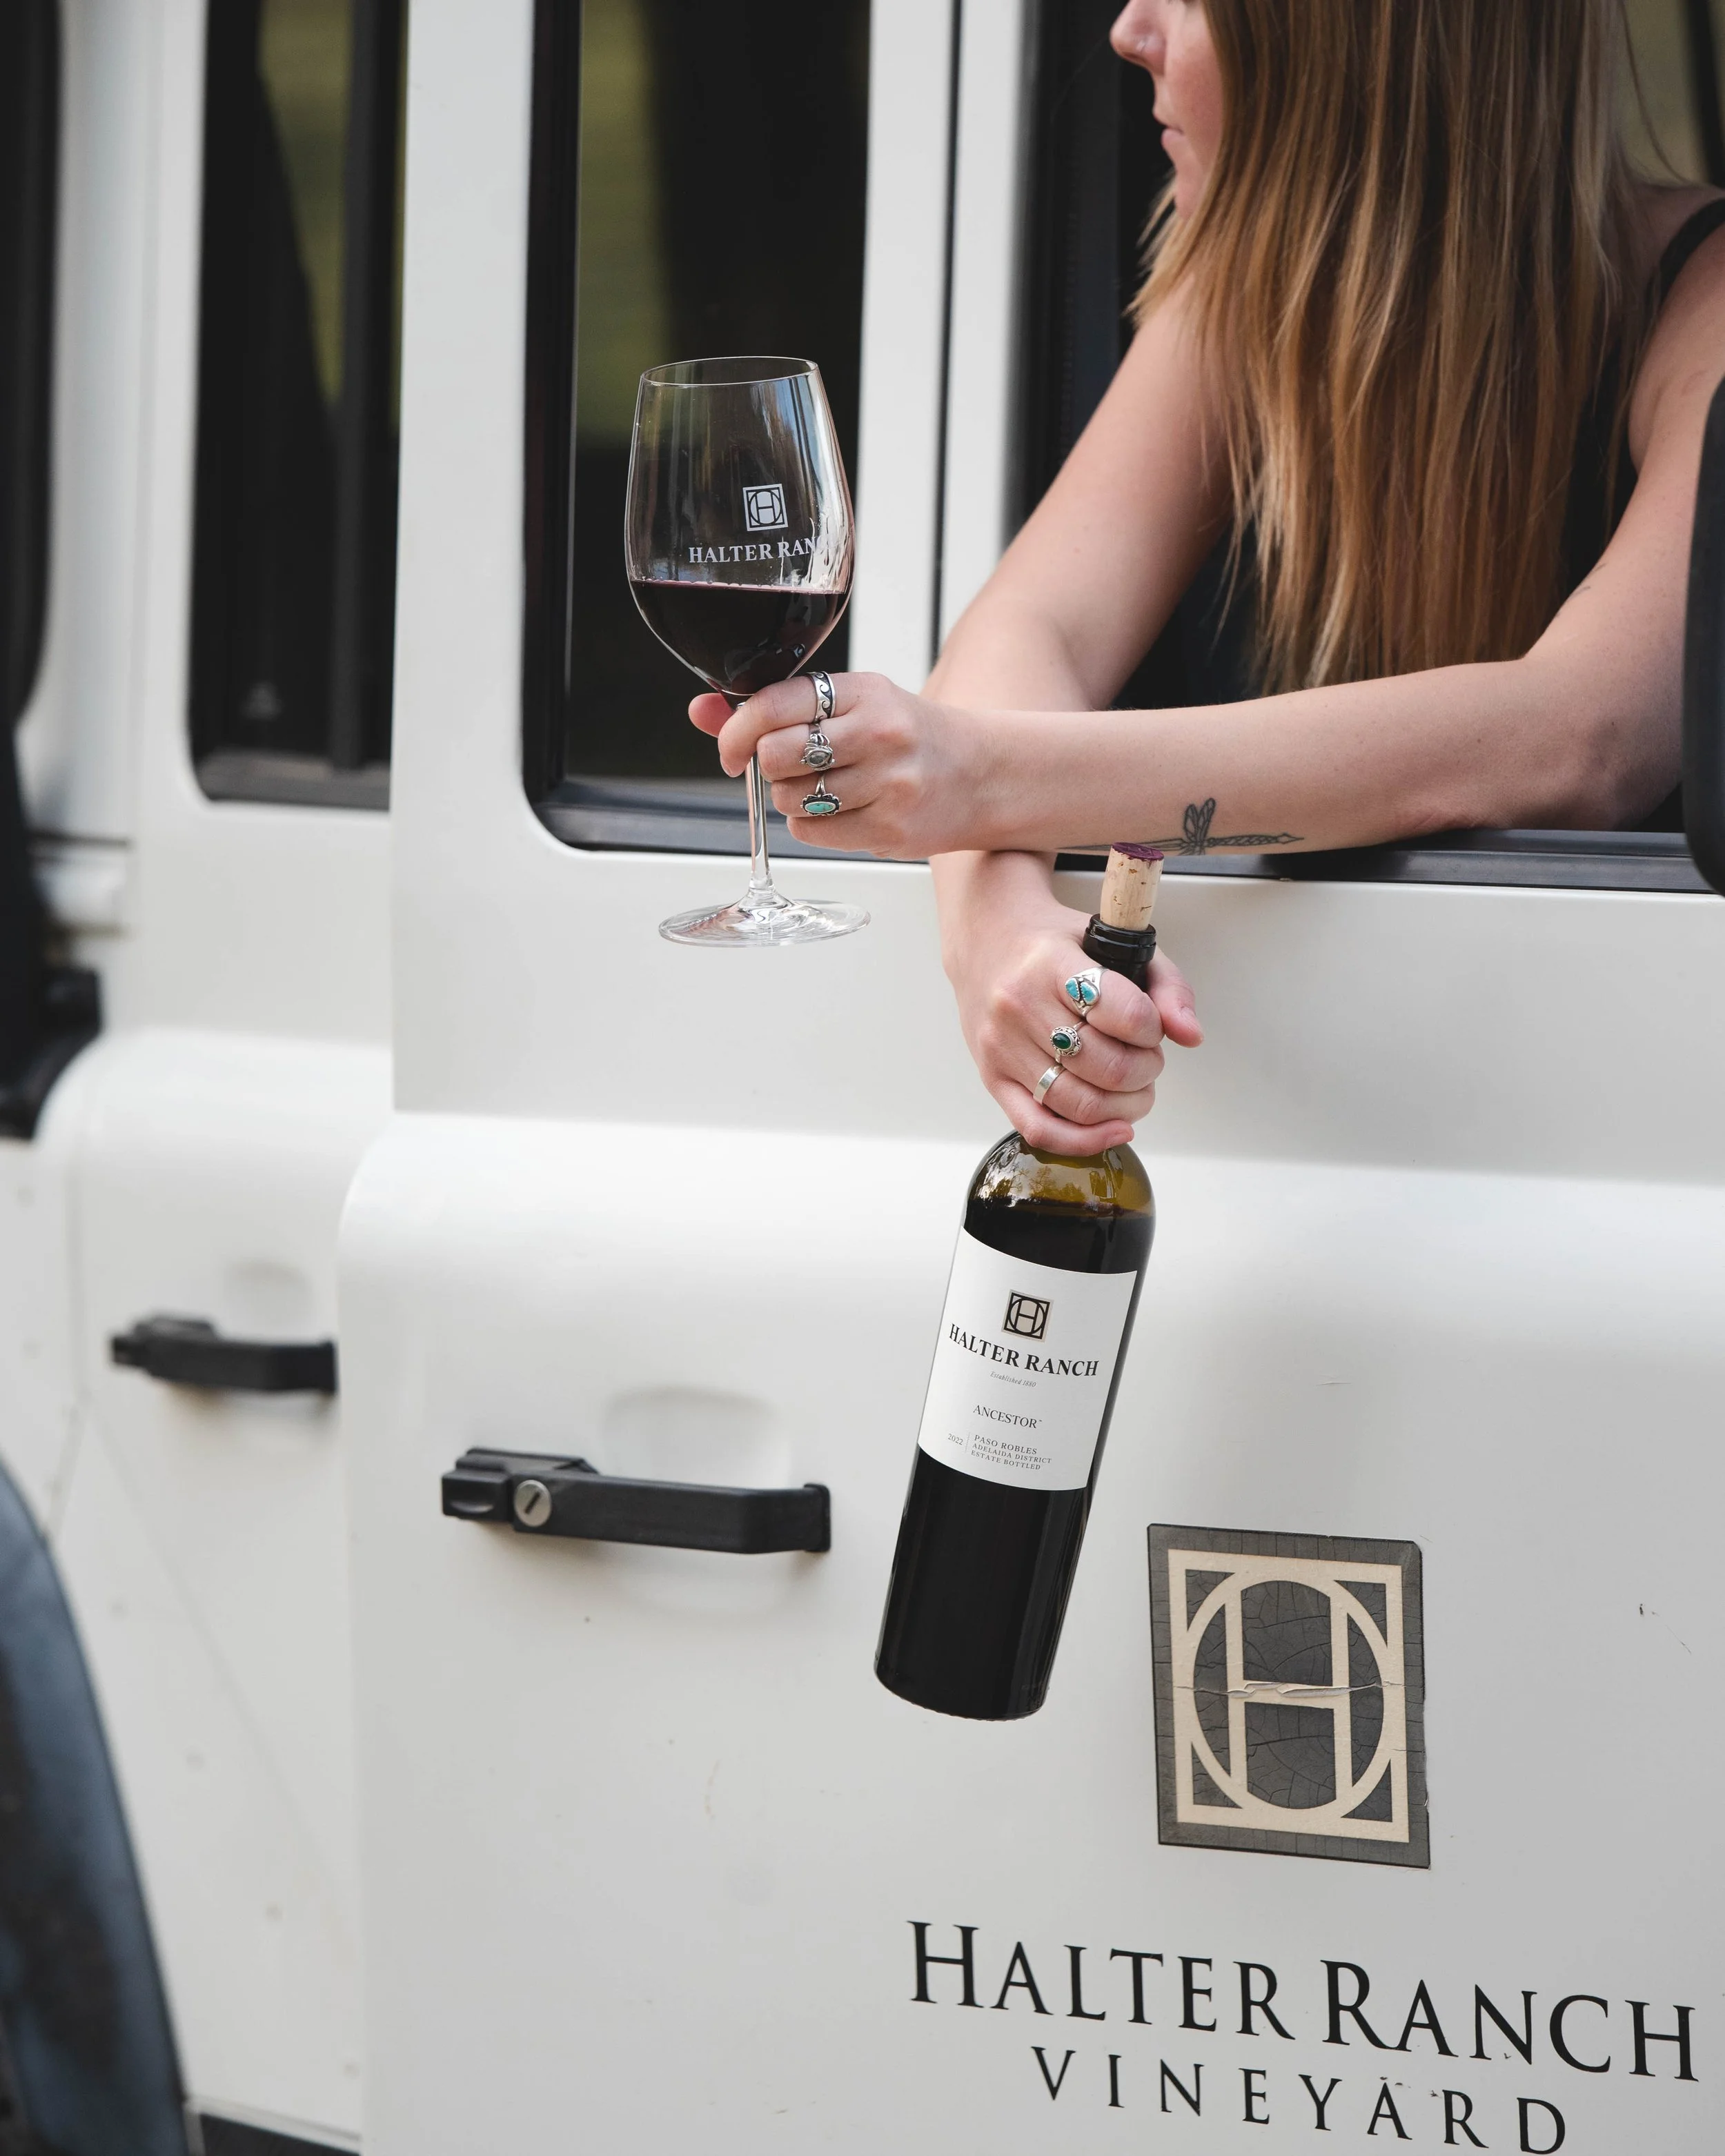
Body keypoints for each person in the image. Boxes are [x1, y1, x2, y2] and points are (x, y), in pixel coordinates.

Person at [689, 0, 1725, 1154]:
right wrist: (995, 923)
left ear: (1351, 37)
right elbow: (1037, 624)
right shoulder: (1252, 284)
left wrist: (973, 776)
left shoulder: (1706, 307)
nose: (1130, 30)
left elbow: (1580, 738)